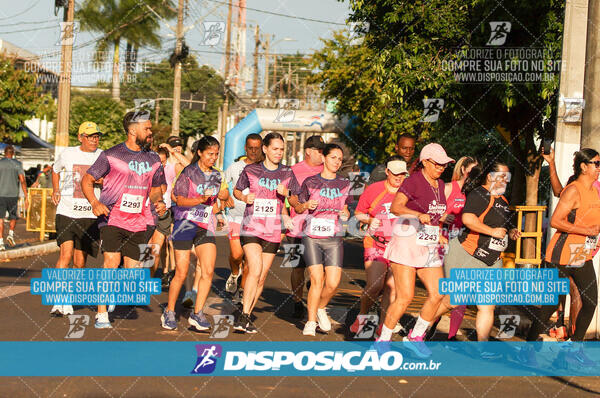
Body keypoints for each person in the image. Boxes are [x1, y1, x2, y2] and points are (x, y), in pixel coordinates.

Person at [82, 110, 167, 329]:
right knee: (111, 262)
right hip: (113, 217)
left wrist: (158, 201)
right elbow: (88, 179)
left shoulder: (154, 159)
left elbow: (157, 188)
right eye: (146, 128)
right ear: (132, 130)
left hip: (140, 220)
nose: (150, 132)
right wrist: (94, 202)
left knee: (133, 271)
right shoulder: (111, 155)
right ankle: (101, 314)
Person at [377, 143, 453, 358]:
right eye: (437, 163)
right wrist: (417, 215)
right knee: (405, 297)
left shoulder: (439, 184)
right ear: (426, 162)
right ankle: (383, 340)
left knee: (438, 293)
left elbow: (435, 215)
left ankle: (415, 337)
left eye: (444, 164)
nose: (441, 167)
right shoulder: (413, 181)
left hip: (427, 244)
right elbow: (396, 207)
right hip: (407, 241)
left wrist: (438, 231)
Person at [436, 160, 519, 354]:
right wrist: (491, 231)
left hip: (491, 260)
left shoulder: (503, 200)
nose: (506, 180)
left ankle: (483, 348)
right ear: (490, 176)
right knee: (453, 300)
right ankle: (421, 329)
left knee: (487, 306)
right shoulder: (480, 194)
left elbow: (505, 224)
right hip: (468, 254)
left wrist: (512, 230)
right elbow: (468, 219)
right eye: (503, 176)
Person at [525, 149, 600, 357]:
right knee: (550, 306)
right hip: (560, 254)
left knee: (591, 301)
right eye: (596, 163)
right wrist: (586, 231)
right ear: (584, 166)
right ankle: (528, 349)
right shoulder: (573, 190)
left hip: (579, 253)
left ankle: (572, 347)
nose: (599, 168)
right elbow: (557, 221)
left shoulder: (593, 191)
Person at [232, 132, 299, 333]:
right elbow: (237, 190)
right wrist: (245, 198)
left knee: (261, 276)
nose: (278, 153)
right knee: (255, 268)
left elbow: (295, 200)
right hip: (252, 226)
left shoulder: (287, 173)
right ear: (265, 149)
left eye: (281, 150)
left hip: (273, 229)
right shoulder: (251, 170)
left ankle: (247, 314)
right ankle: (243, 314)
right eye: (275, 149)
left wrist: (286, 195)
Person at [161, 136, 230, 331]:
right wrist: (200, 198)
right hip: (185, 223)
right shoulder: (188, 172)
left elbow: (225, 195)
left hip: (205, 225)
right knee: (182, 273)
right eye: (210, 154)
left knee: (207, 270)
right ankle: (170, 311)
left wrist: (223, 196)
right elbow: (180, 200)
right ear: (200, 152)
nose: (213, 158)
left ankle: (197, 313)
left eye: (216, 154)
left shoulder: (218, 174)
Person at [292, 143, 351, 336]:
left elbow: (346, 209)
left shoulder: (344, 183)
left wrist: (345, 213)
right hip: (312, 236)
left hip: (333, 236)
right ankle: (310, 322)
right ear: (324, 158)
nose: (336, 162)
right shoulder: (310, 182)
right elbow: (299, 208)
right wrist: (307, 204)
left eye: (340, 159)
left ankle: (320, 307)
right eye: (333, 157)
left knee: (333, 283)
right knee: (317, 279)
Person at [49, 122, 103, 316]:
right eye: (90, 136)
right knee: (65, 255)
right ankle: (59, 300)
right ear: (81, 137)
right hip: (67, 211)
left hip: (89, 215)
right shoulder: (68, 154)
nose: (94, 140)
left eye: (97, 136)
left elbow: (111, 179)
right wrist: (56, 189)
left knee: (80, 262)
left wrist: (99, 181)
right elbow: (55, 170)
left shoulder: (102, 156)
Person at [350, 157, 408, 335]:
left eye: (402, 174)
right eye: (395, 173)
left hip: (399, 246)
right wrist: (369, 220)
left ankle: (383, 327)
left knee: (391, 289)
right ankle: (362, 316)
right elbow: (359, 212)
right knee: (375, 286)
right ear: (388, 172)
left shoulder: (408, 192)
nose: (399, 177)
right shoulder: (375, 189)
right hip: (376, 242)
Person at [425, 156, 478, 340]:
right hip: (443, 243)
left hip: (464, 246)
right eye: (472, 170)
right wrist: (441, 218)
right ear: (463, 170)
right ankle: (426, 327)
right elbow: (428, 212)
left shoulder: (475, 194)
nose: (476, 175)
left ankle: (451, 336)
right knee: (441, 293)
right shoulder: (448, 188)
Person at [286, 135, 325, 318]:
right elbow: (288, 196)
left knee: (319, 268)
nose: (323, 154)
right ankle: (297, 301)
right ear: (308, 151)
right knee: (296, 266)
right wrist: (295, 208)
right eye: (320, 151)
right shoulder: (293, 170)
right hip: (296, 227)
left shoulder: (327, 171)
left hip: (320, 229)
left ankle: (313, 291)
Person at [223, 134, 263, 304]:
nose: (254, 151)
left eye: (257, 148)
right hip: (235, 217)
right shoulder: (235, 167)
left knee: (249, 261)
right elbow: (222, 184)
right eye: (250, 148)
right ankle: (234, 273)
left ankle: (241, 290)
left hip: (256, 220)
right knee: (237, 254)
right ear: (245, 148)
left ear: (262, 148)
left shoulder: (265, 169)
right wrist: (224, 198)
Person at [0, 145, 28, 251]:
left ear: (4, 153)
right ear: (13, 154)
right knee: (13, 217)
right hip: (13, 195)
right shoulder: (17, 164)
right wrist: (26, 195)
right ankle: (10, 234)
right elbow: (22, 180)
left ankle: (1, 242)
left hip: (1, 195)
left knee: (0, 218)